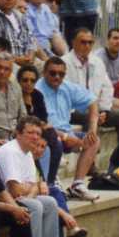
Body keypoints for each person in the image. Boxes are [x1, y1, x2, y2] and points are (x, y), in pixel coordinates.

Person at [36, 56, 101, 200]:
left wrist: (92, 129)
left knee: (93, 140)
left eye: (61, 74)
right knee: (55, 141)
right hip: (46, 134)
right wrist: (66, 137)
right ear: (44, 73)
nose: (57, 77)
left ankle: (77, 185)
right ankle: (51, 182)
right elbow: (41, 124)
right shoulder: (37, 90)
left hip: (67, 132)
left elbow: (93, 101)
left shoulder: (66, 87)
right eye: (53, 73)